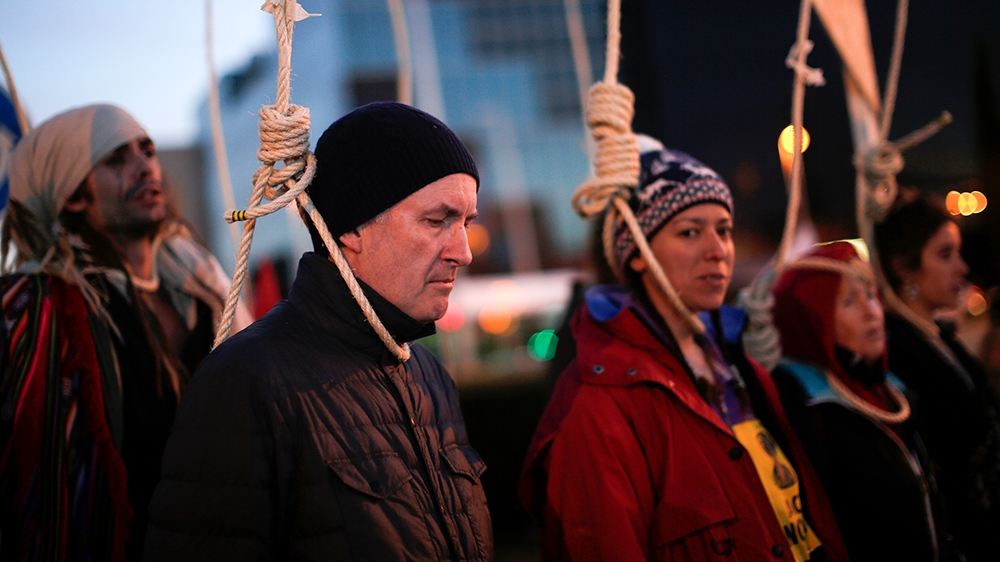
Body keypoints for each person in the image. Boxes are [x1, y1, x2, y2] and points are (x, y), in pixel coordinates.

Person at [143, 102, 492, 560]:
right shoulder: (246, 381)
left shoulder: (428, 374)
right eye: (436, 220)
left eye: (466, 222)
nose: (464, 252)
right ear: (353, 229)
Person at [518, 138, 847, 561]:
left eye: (724, 230)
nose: (717, 250)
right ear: (637, 252)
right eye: (690, 232)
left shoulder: (742, 368)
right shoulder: (599, 403)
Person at [0, 104, 251, 561]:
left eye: (147, 150)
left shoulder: (207, 288)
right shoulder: (35, 310)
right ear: (74, 196)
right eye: (115, 158)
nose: (144, 167)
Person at [771, 240, 960, 560]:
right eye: (848, 301)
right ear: (814, 322)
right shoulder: (809, 412)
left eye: (871, 295)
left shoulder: (892, 392)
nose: (870, 311)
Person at [874, 191, 1000, 561]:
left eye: (958, 252)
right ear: (903, 267)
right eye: (945, 255)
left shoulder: (940, 338)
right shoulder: (898, 354)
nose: (962, 267)